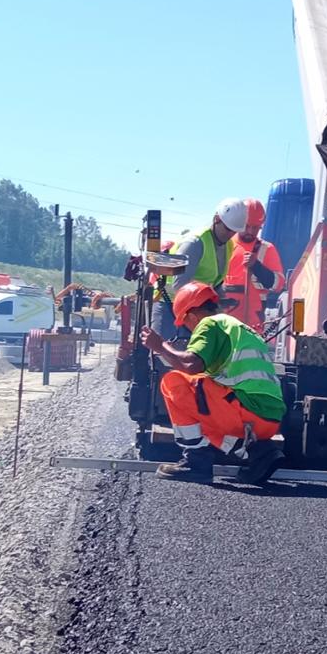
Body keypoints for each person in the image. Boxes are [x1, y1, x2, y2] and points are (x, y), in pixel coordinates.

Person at [138, 281, 286, 484]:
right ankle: (259, 452)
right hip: (268, 421)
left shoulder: (209, 324)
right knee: (200, 394)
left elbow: (191, 364)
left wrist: (160, 346)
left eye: (186, 325)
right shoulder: (236, 327)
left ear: (191, 316)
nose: (190, 332)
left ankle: (196, 461)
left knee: (175, 382)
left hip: (247, 412)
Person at [155, 198, 248, 339]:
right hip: (169, 307)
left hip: (196, 311)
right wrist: (206, 307)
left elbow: (216, 282)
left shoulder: (227, 246)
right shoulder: (194, 243)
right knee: (164, 356)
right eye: (228, 229)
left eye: (234, 231)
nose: (230, 235)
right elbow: (180, 285)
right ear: (217, 219)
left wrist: (219, 305)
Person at [222, 198, 285, 332]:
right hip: (224, 321)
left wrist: (256, 266)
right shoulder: (225, 246)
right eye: (247, 226)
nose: (250, 231)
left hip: (253, 325)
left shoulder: (267, 249)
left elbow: (279, 284)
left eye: (255, 227)